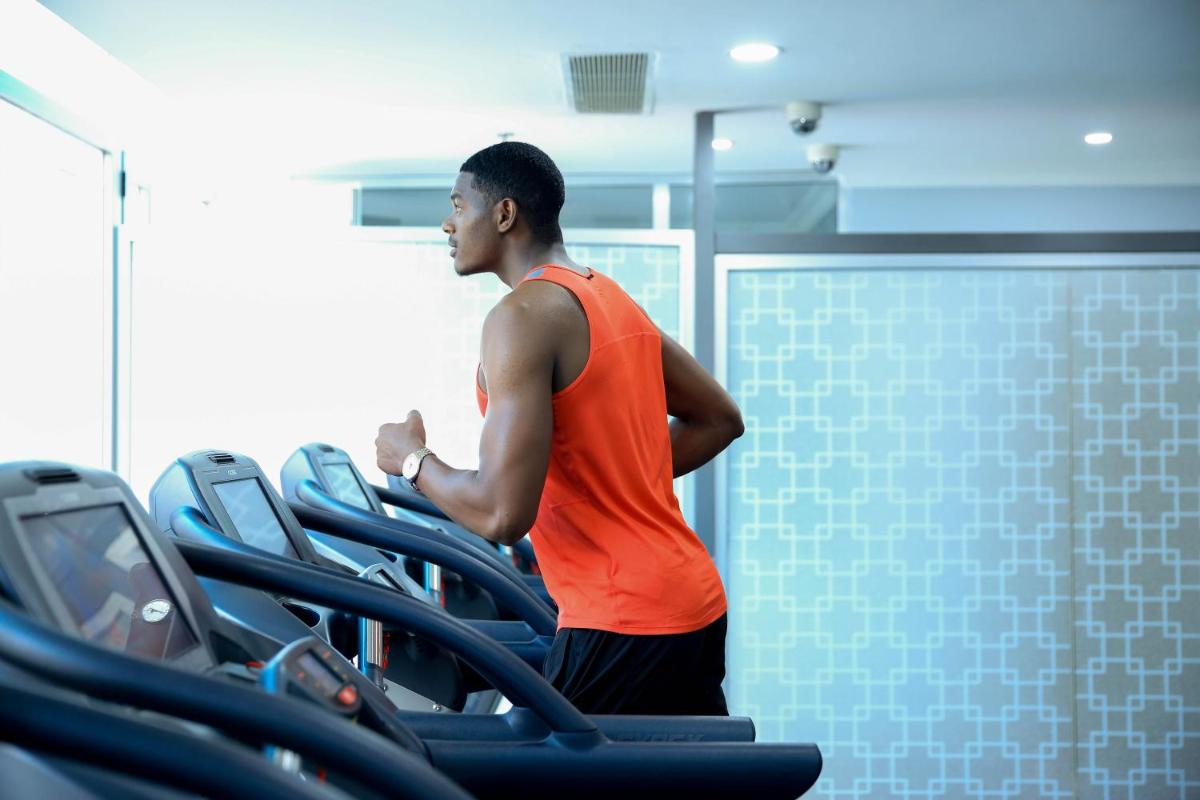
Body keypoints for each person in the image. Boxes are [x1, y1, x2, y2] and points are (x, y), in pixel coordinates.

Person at [375, 141, 744, 715]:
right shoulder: (608, 296)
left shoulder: (520, 318)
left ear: (504, 214)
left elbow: (502, 514)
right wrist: (614, 480)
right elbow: (720, 419)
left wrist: (412, 460)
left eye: (458, 205)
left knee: (555, 762)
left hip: (623, 618)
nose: (448, 223)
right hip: (688, 598)